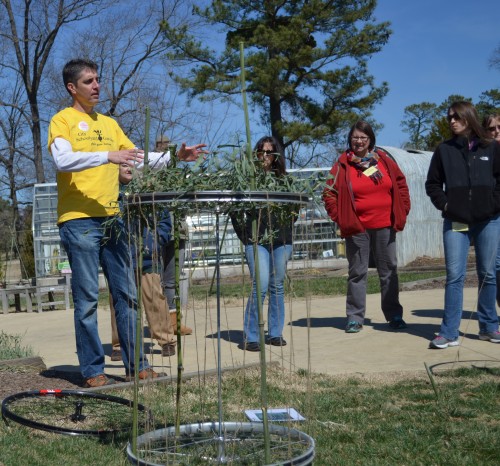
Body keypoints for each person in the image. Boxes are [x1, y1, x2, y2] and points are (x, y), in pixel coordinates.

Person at [48, 58, 207, 387]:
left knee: (127, 294)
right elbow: (62, 160)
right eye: (89, 81)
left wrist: (174, 158)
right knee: (88, 299)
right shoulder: (61, 121)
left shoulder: (109, 124)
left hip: (113, 220)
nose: (96, 86)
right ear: (72, 88)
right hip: (78, 222)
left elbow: (137, 157)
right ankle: (93, 370)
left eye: (97, 80)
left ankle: (137, 365)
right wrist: (107, 156)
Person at [323, 120, 411, 333]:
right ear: (350, 140)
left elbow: (400, 184)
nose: (359, 141)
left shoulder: (385, 161)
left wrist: (403, 208)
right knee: (357, 272)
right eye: (355, 137)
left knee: (388, 270)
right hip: (357, 227)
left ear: (370, 139)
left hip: (385, 224)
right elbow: (328, 193)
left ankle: (394, 315)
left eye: (363, 137)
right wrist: (341, 217)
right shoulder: (342, 164)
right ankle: (354, 318)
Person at [426, 102, 500, 349]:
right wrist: (447, 206)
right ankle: (449, 332)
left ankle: (489, 327)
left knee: (487, 274)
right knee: (454, 276)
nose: (452, 121)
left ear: (469, 117)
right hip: (456, 220)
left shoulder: (491, 147)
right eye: (449, 117)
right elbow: (433, 184)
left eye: (456, 117)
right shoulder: (444, 150)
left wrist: (493, 205)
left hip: (488, 220)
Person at [230, 136, 294, 352]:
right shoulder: (248, 180)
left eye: (270, 152)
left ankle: (275, 333)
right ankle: (251, 335)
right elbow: (235, 210)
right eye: (261, 152)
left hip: (281, 240)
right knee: (261, 283)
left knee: (277, 285)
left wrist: (285, 223)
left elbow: (294, 209)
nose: (265, 156)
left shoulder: (285, 180)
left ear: (276, 156)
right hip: (256, 240)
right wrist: (247, 235)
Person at [109, 163, 177, 361]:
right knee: (119, 300)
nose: (127, 168)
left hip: (147, 256)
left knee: (154, 297)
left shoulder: (147, 191)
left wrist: (156, 240)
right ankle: (119, 343)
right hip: (120, 256)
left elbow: (164, 221)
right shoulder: (110, 192)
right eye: (122, 165)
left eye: (130, 165)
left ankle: (166, 340)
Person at [482, 114, 500, 307]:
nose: (496, 132)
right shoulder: (483, 152)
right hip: (494, 213)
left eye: (499, 127)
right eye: (492, 128)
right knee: (495, 264)